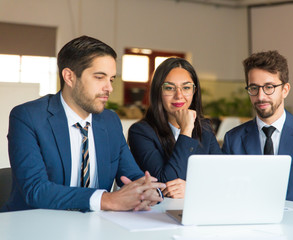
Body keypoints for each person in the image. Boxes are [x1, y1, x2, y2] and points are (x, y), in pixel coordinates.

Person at [1, 35, 165, 212]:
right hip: (33, 225)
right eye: (99, 77)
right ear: (69, 77)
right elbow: (36, 190)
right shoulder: (28, 117)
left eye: (111, 79)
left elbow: (132, 175)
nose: (109, 88)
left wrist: (149, 191)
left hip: (93, 226)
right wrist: (106, 200)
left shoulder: (110, 121)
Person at [222, 50, 293, 207]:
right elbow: (225, 197)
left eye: (269, 87)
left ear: (285, 90)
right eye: (254, 88)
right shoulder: (233, 139)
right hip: (248, 227)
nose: (260, 96)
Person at [128, 58, 222, 199]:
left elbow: (221, 178)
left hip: (198, 209)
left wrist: (191, 189)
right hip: (157, 215)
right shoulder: (141, 132)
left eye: (186, 87)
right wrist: (186, 130)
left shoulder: (205, 128)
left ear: (194, 91)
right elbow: (165, 184)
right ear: (158, 92)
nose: (179, 95)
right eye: (169, 88)